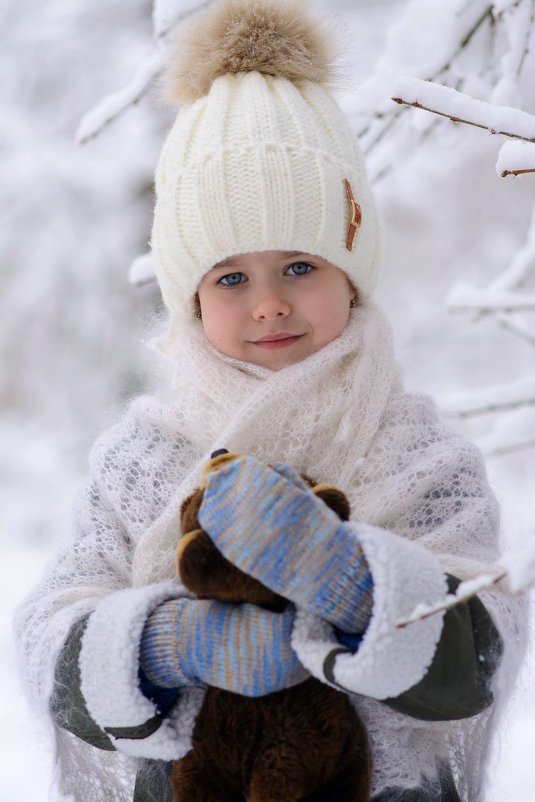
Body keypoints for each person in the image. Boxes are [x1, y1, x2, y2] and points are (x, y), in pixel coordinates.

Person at [15, 1, 525, 800]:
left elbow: (479, 660)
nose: (267, 304)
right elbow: (49, 641)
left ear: (350, 269)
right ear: (189, 295)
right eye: (229, 277)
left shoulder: (418, 455)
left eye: (299, 266)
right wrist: (165, 643)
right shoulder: (143, 461)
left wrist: (355, 585)